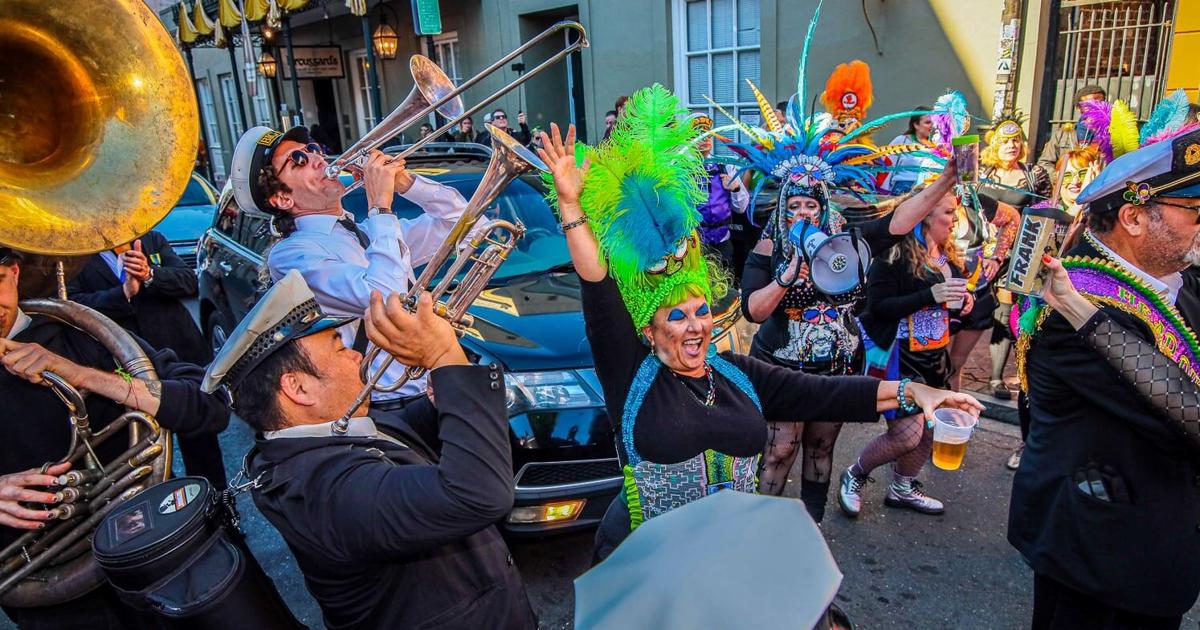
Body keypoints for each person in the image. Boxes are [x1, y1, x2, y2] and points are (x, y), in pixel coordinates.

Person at [537, 86, 980, 561]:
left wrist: (917, 392)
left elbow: (825, 393)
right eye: (678, 317)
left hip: (730, 555)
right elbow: (598, 285)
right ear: (649, 331)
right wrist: (570, 207)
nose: (695, 327)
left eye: (702, 312)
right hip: (649, 562)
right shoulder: (632, 377)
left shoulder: (735, 373)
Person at [200, 270, 534, 629]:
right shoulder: (322, 492)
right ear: (298, 388)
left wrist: (447, 392)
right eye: (340, 347)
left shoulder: (323, 434)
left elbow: (399, 434)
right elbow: (477, 494)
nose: (356, 356)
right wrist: (443, 355)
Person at [1009, 127, 1200, 629]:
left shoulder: (1180, 280)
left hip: (1158, 549)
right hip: (1102, 557)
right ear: (1135, 217)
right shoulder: (1078, 308)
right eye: (1194, 211)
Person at [0, 247, 231, 628]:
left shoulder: (86, 336)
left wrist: (82, 375)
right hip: (52, 601)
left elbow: (209, 406)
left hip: (164, 563)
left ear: (13, 273)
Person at [228, 125, 467, 412]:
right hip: (386, 405)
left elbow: (461, 223)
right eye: (299, 160)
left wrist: (406, 183)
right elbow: (384, 296)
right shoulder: (291, 255)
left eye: (314, 149)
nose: (318, 159)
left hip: (429, 388)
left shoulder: (366, 232)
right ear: (282, 199)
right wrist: (380, 205)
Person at [839, 192, 973, 517]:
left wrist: (965, 304)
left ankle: (902, 487)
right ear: (926, 214)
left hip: (934, 355)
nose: (955, 220)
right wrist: (930, 294)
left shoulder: (949, 255)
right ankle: (855, 474)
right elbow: (878, 307)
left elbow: (948, 306)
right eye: (948, 212)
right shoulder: (893, 255)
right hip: (899, 356)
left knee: (930, 428)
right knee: (906, 434)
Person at [67, 231, 227, 487]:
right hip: (123, 367)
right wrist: (123, 293)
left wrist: (150, 275)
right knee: (143, 450)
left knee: (201, 443)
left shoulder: (152, 240)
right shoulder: (75, 253)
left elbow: (188, 281)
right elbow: (73, 305)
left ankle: (219, 508)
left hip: (178, 351)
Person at [963, 113, 1049, 399]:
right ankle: (988, 376)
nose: (1011, 145)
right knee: (986, 310)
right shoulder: (981, 172)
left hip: (1020, 251)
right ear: (994, 144)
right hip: (983, 250)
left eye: (1016, 140)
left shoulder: (1034, 174)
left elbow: (1044, 211)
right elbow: (964, 199)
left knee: (1017, 311)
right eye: (1005, 141)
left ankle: (1007, 377)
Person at [690, 113, 748, 273]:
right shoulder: (682, 170)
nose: (705, 139)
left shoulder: (725, 166)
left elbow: (741, 208)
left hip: (722, 241)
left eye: (708, 133)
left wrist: (735, 188)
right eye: (698, 134)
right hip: (694, 244)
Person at [1036, 84, 1106, 184]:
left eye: (1099, 102)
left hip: (1099, 193)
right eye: (1089, 104)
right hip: (1066, 191)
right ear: (1079, 108)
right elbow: (1045, 162)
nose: (1095, 107)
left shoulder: (1113, 134)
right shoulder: (1062, 135)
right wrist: (1061, 179)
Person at [883, 107, 938, 194]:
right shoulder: (902, 140)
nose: (932, 125)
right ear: (916, 125)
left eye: (934, 122)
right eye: (928, 122)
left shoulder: (936, 146)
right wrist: (883, 193)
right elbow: (886, 166)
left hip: (927, 190)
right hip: (903, 189)